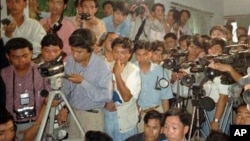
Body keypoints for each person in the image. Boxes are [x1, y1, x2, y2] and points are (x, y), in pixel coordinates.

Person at [60, 28, 112, 139]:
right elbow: (66, 88)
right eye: (72, 50)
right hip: (72, 114)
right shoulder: (69, 61)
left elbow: (105, 96)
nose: (75, 55)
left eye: (79, 52)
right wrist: (64, 108)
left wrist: (83, 82)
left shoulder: (102, 65)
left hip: (92, 117)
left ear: (90, 49)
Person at [1, 37, 50, 141]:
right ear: (8, 56)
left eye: (25, 56)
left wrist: (35, 127)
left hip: (39, 124)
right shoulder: (3, 74)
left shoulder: (43, 72)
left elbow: (49, 101)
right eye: (15, 57)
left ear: (31, 53)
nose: (21, 60)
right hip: (11, 128)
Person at [103, 37, 141, 141]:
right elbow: (99, 91)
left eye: (123, 52)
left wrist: (117, 74)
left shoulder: (134, 71)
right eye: (116, 51)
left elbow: (126, 97)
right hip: (108, 118)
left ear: (129, 54)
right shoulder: (106, 67)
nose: (119, 56)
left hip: (126, 122)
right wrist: (105, 103)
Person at [133, 40, 173, 133]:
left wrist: (165, 119)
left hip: (158, 111)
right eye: (138, 54)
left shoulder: (160, 71)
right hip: (140, 113)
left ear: (150, 53)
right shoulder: (131, 69)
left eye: (145, 54)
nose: (142, 58)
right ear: (134, 54)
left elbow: (165, 96)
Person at [202, 37, 231, 138]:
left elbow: (223, 98)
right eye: (210, 48)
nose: (212, 51)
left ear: (223, 51)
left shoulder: (225, 70)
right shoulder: (207, 67)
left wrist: (216, 120)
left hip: (219, 111)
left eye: (216, 48)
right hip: (207, 109)